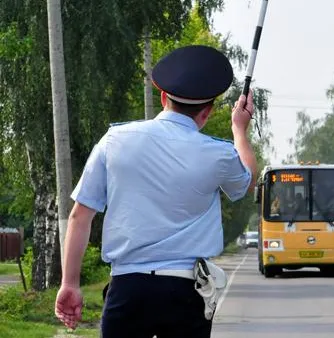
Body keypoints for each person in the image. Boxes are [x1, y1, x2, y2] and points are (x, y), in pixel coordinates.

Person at [54, 45, 257, 337]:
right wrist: (239, 129)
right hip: (186, 293)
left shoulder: (114, 141)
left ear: (163, 97)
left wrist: (70, 284)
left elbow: (79, 217)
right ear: (207, 112)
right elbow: (248, 178)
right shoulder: (218, 154)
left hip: (127, 290)